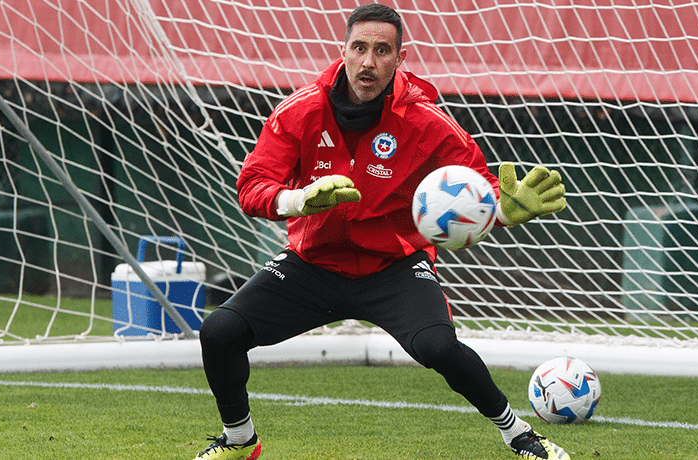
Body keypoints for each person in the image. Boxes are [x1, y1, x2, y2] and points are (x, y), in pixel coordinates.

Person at [194, 4, 568, 460]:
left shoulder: (425, 120)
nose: (368, 61)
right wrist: (298, 199)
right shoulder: (299, 111)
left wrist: (503, 210)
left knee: (439, 346)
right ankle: (239, 441)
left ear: (399, 58)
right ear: (344, 50)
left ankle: (518, 435)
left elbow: (477, 182)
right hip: (313, 264)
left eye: (381, 50)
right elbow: (252, 186)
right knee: (219, 331)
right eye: (360, 48)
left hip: (393, 267)